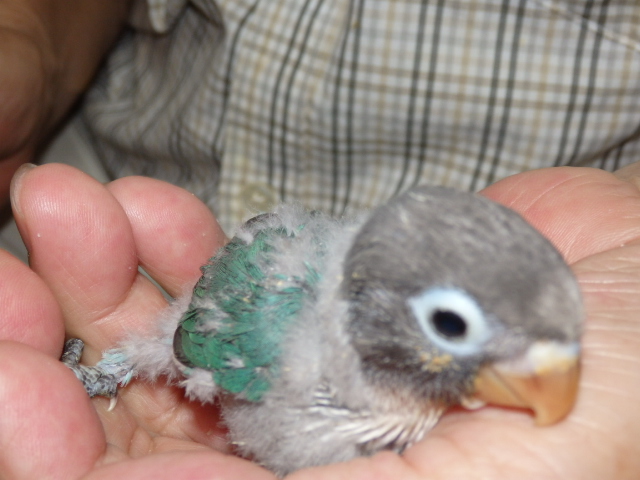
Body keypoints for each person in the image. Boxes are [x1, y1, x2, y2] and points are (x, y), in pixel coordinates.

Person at [1, 1, 640, 478]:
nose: (543, 383)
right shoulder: (275, 327)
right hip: (113, 161)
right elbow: (179, 340)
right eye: (448, 323)